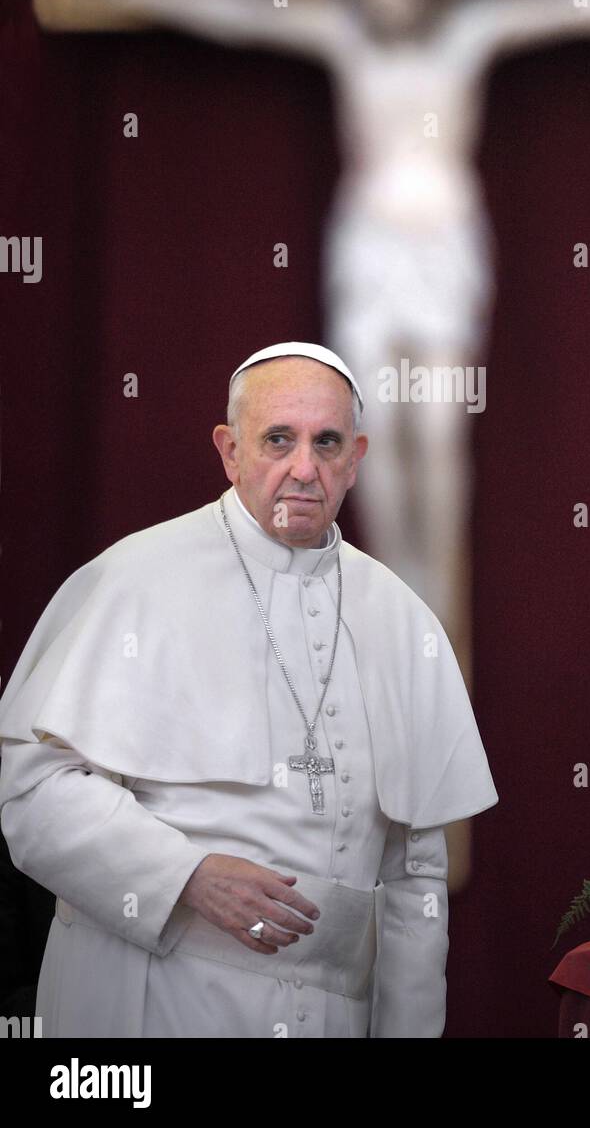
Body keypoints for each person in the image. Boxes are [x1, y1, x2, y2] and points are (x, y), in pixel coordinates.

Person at [0, 341, 498, 1038]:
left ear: (356, 459)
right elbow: (33, 790)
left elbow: (416, 879)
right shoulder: (136, 580)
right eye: (278, 441)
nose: (303, 469)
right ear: (230, 451)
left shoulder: (400, 620)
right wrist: (186, 874)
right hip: (153, 1003)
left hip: (329, 1017)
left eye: (326, 443)